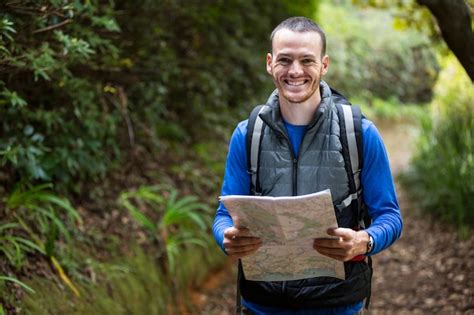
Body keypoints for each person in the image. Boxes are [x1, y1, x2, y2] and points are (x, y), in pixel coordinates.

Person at [213, 16, 403, 314]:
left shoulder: (359, 133)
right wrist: (227, 238)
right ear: (269, 63)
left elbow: (390, 217)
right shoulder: (247, 134)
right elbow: (223, 215)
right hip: (261, 304)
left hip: (337, 304)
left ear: (324, 65)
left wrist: (363, 241)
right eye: (285, 60)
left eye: (307, 60)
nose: (295, 71)